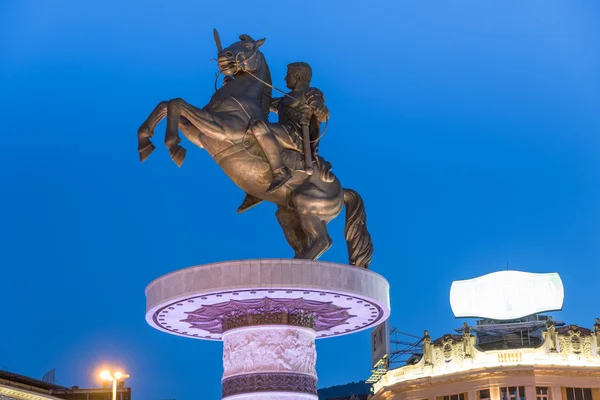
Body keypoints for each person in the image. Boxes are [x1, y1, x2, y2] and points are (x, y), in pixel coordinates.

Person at [238, 62, 329, 213]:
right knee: (253, 133)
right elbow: (261, 104)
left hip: (297, 137)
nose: (285, 78)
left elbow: (322, 112)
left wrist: (321, 110)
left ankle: (280, 173)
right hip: (283, 133)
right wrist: (238, 86)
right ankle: (256, 188)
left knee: (259, 128)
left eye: (288, 75)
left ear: (298, 76)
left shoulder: (310, 93)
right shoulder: (283, 100)